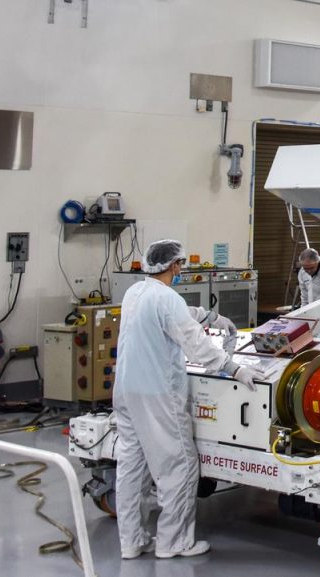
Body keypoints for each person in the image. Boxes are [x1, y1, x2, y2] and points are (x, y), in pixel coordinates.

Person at [114, 240, 256, 560]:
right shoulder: (166, 298)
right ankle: (173, 542)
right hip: (158, 395)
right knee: (179, 465)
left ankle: (132, 541)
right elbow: (196, 345)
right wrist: (233, 367)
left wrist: (207, 316)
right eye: (181, 265)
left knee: (132, 469)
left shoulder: (135, 293)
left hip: (126, 391)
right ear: (175, 266)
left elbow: (170, 315)